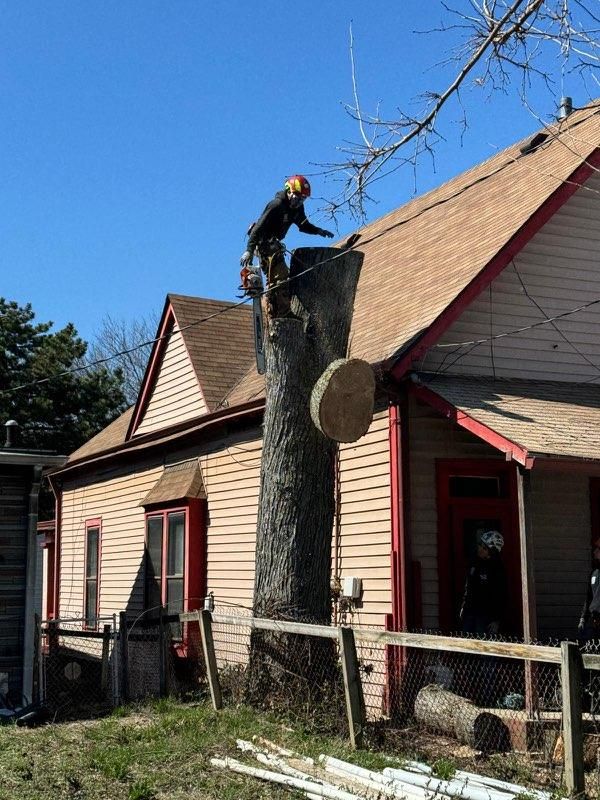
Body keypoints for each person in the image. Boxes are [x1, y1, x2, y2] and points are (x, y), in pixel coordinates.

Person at [240, 175, 334, 316]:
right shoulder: (276, 205)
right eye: (297, 196)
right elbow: (258, 229)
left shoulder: (297, 208)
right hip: (262, 241)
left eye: (303, 198)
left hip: (274, 243)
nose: (299, 200)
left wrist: (318, 231)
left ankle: (280, 308)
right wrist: (249, 250)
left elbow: (303, 225)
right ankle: (281, 313)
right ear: (289, 191)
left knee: (283, 276)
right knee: (280, 276)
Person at [460, 529, 507, 637]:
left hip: (486, 617)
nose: (480, 548)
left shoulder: (497, 570)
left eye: (484, 547)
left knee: (483, 647)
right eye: (480, 545)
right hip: (470, 613)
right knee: (465, 645)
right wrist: (463, 606)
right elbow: (468, 587)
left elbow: (501, 595)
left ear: (491, 552)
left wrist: (497, 620)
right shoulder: (474, 564)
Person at [578, 537, 600, 643]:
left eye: (598, 549)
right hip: (596, 620)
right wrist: (583, 619)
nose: (595, 552)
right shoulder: (594, 573)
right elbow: (589, 598)